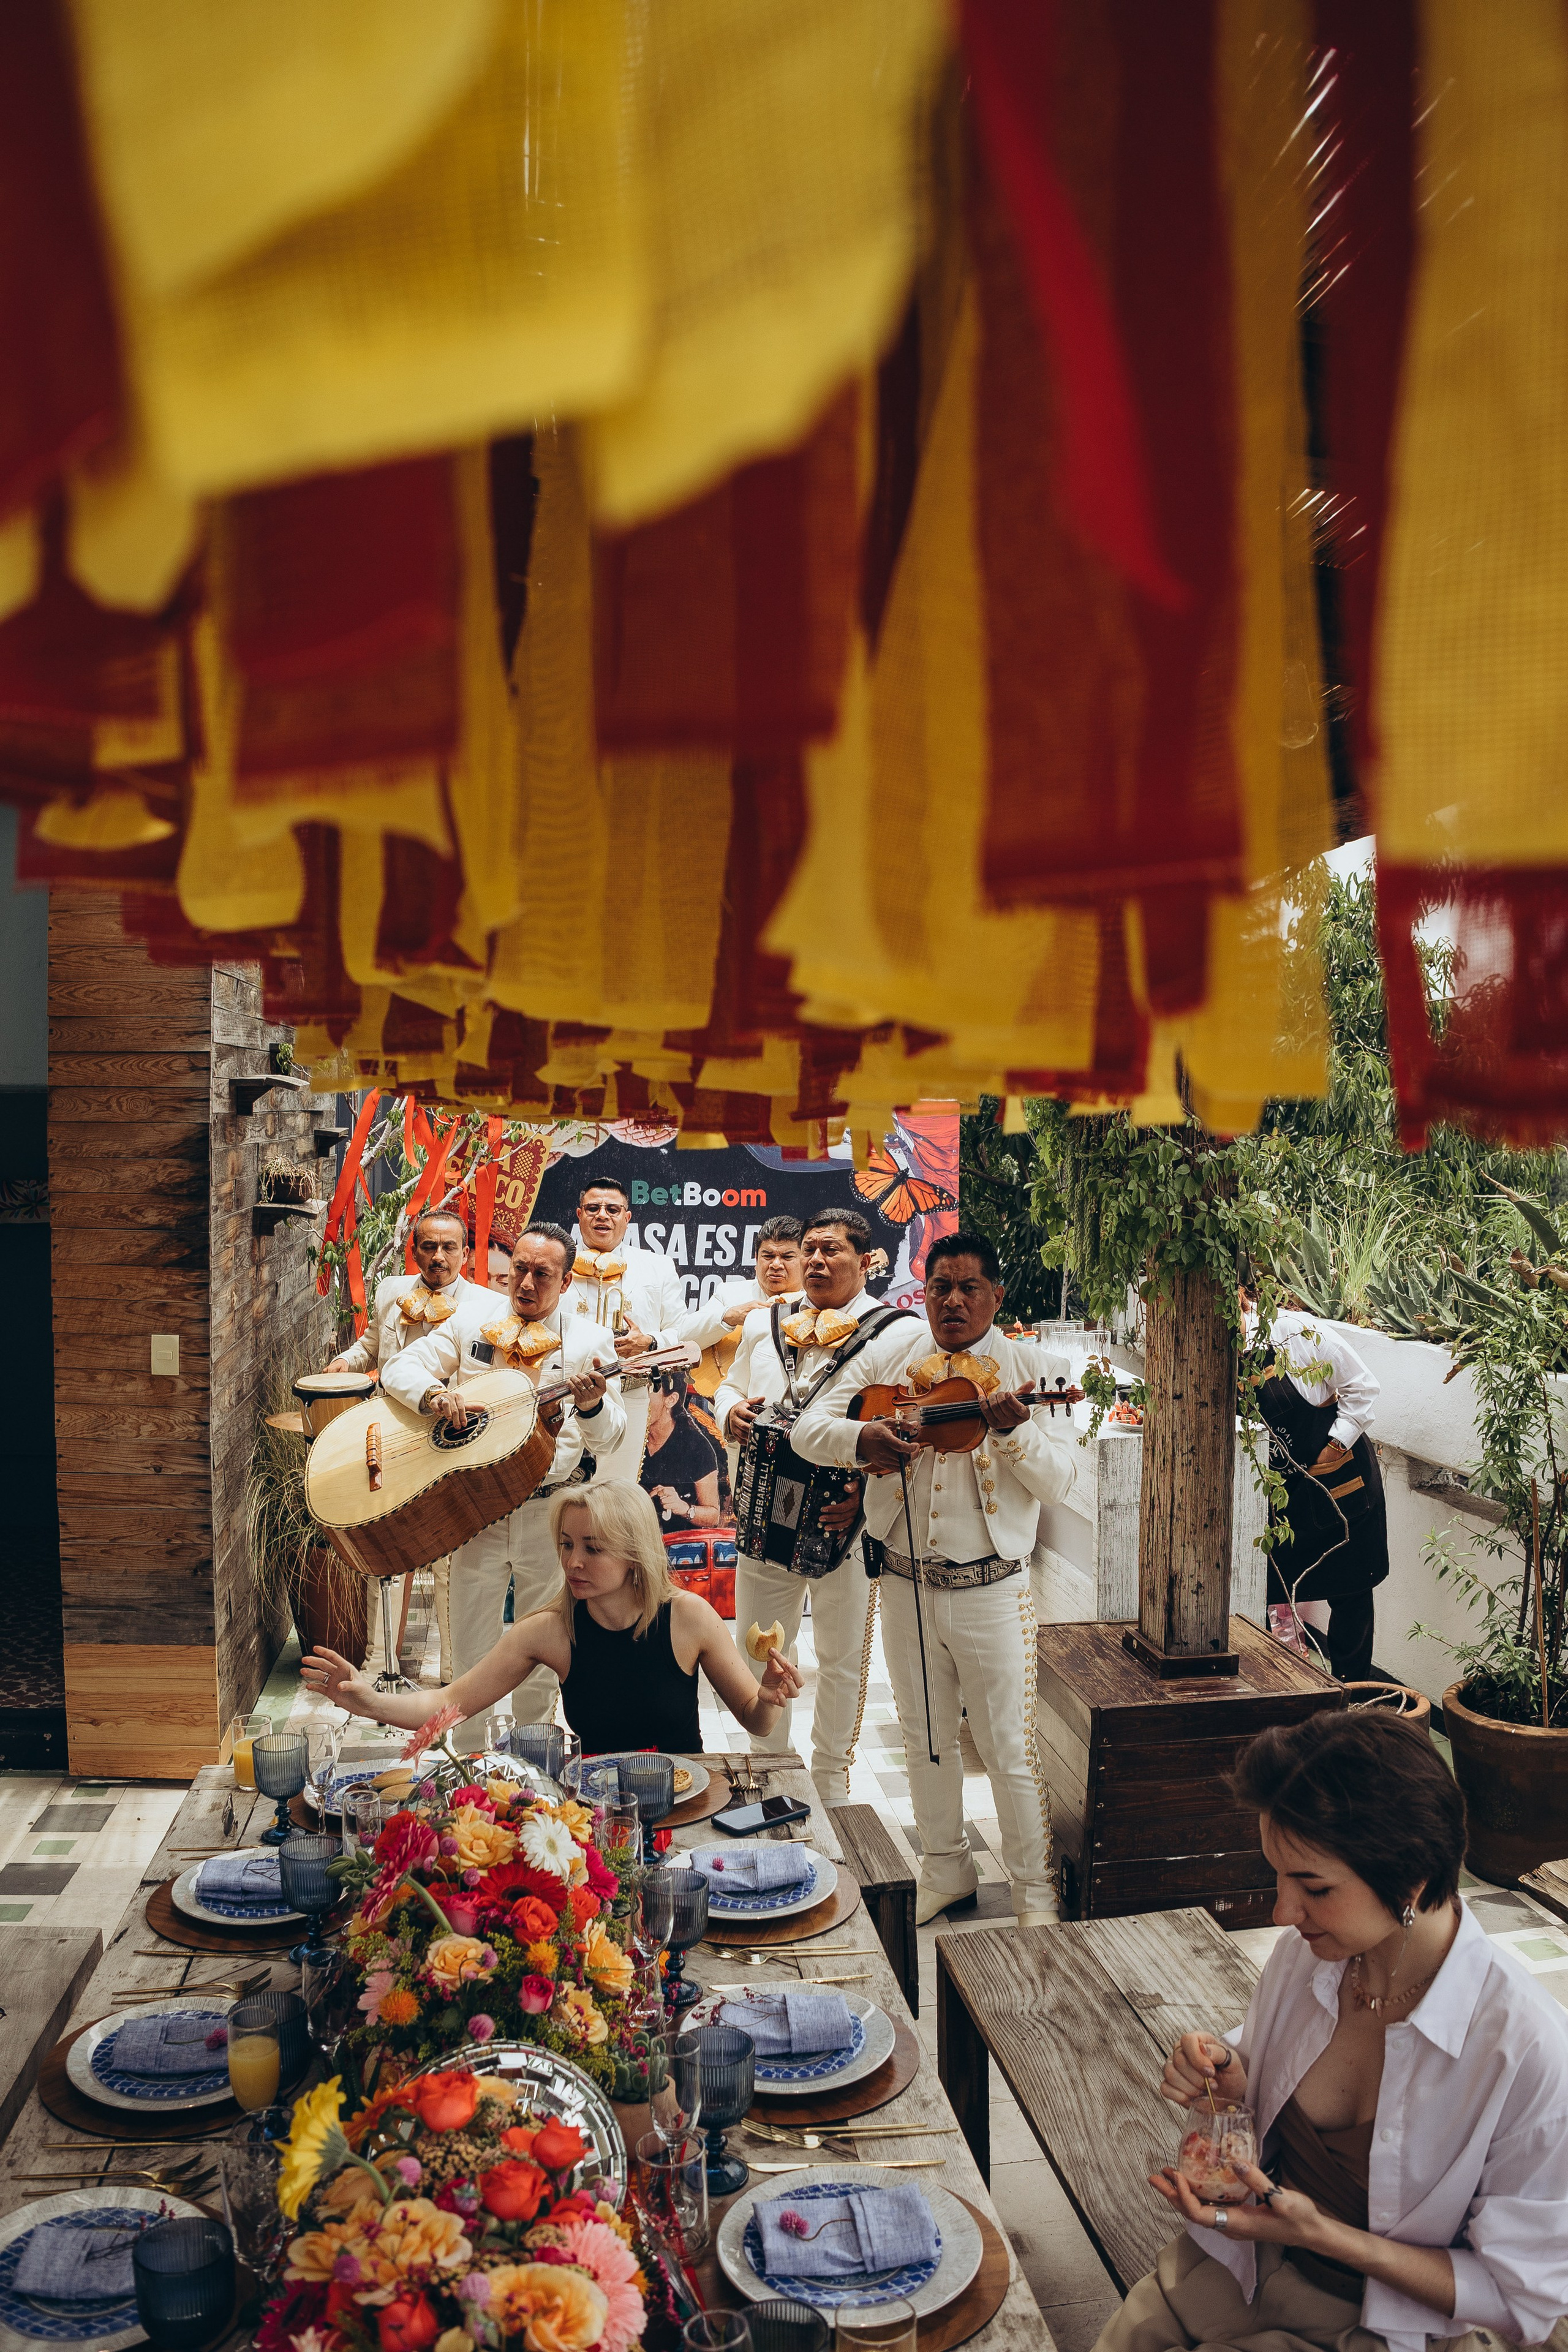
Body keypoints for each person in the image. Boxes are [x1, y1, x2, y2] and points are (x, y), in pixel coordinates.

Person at [1101, 1711, 1568, 2352]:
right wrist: (1233, 2073)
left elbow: (1521, 2301)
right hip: (1234, 2266)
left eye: (1313, 1887)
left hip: (1376, 2324)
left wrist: (1324, 2237)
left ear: (1410, 1881)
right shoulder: (1313, 1955)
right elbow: (1267, 2081)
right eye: (1277, 1874)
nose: (1281, 1911)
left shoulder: (1529, 2053)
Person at [793, 1230, 1072, 1927]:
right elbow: (807, 1427)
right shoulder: (893, 1356)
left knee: (1009, 1748)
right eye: (939, 1287)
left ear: (996, 1296)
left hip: (993, 1590)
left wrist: (1011, 1432)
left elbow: (1060, 1481)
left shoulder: (1035, 1367)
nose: (951, 1301)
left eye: (967, 1287)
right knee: (924, 1739)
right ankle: (945, 1870)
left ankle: (1035, 1889)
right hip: (906, 1585)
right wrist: (864, 1440)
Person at [301, 1480, 803, 1757]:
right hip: (601, 1816)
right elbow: (452, 1703)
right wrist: (368, 1702)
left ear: (635, 1554)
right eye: (566, 1545)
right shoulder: (551, 1630)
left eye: (592, 1548)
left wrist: (770, 1697)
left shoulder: (689, 1617)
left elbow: (756, 1723)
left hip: (685, 1804)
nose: (573, 1562)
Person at [388, 1221, 625, 1746]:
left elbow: (611, 1438)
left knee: (542, 1647)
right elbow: (403, 1367)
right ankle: (468, 1769)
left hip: (552, 1514)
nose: (526, 1283)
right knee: (471, 1648)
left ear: (566, 1284)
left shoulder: (590, 1340)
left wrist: (590, 1406)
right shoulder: (470, 1318)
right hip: (477, 1509)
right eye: (519, 1268)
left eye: (543, 1274)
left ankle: (533, 1765)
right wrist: (433, 1396)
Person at [715, 1205, 915, 1808]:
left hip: (842, 1528)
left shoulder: (897, 1332)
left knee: (840, 1658)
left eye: (833, 1251)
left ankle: (830, 1783)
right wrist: (728, 1410)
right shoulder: (765, 1325)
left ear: (865, 1260)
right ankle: (769, 1772)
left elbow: (906, 1427)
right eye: (811, 1251)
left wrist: (867, 1489)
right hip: (763, 1521)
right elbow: (727, 1383)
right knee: (760, 1647)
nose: (818, 1261)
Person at [323, 1206, 484, 1682]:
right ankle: (381, 1664)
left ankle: (455, 1673)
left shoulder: (483, 1307)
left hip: (450, 1443)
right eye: (429, 1247)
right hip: (389, 1435)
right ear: (414, 1250)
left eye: (449, 1247)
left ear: (464, 1253)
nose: (438, 1257)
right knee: (389, 1551)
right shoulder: (392, 1291)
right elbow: (371, 1346)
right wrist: (345, 1362)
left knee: (451, 1562)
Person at [1241, 1287, 1387, 1682]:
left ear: (1238, 1296)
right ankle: (1283, 1695)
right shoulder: (1203, 1349)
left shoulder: (1294, 1333)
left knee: (1351, 1591)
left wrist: (1334, 1445)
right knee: (1263, 1592)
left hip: (1336, 1482)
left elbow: (1363, 1385)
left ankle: (1353, 1696)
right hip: (1276, 1497)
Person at [569, 1176, 694, 1481]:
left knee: (615, 1493)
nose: (602, 1215)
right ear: (579, 1214)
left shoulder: (658, 1265)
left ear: (627, 1218)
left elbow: (682, 1332)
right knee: (560, 1490)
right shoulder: (556, 1261)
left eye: (613, 1209)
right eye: (593, 1208)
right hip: (565, 1392)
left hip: (632, 1394)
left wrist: (649, 1342)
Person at [640, 1371, 723, 1531]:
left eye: (648, 1391)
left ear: (671, 1400)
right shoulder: (632, 1434)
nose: (641, 1400)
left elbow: (713, 1516)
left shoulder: (697, 1446)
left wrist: (684, 1508)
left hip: (678, 1546)